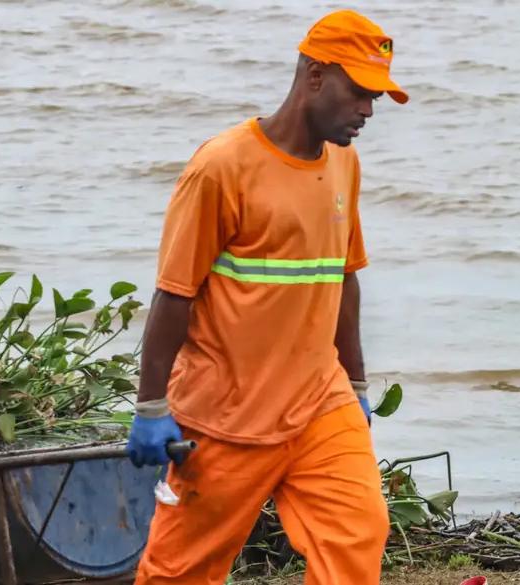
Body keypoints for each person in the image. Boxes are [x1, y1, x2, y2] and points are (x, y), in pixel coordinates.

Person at [126, 10, 408, 585]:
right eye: (359, 91)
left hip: (318, 404)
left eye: (376, 96)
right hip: (227, 417)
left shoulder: (344, 164)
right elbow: (174, 295)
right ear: (313, 76)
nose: (368, 111)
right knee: (180, 572)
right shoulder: (221, 167)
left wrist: (354, 383)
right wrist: (152, 406)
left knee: (357, 535)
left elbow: (342, 278)